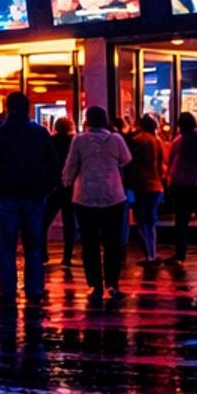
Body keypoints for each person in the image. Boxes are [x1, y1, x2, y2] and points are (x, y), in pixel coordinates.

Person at [0, 90, 58, 304]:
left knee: (5, 246)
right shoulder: (40, 133)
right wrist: (48, 186)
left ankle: (8, 289)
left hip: (5, 194)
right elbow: (53, 163)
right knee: (33, 245)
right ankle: (34, 288)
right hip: (33, 194)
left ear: (8, 109)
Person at [62, 105, 132, 306]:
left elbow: (71, 166)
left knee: (89, 242)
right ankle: (112, 284)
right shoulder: (116, 139)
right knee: (112, 242)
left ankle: (95, 285)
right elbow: (126, 159)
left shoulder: (79, 140)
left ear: (87, 120)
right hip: (113, 195)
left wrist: (66, 183)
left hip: (85, 196)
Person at [167, 109, 197, 263]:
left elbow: (170, 159)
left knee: (181, 220)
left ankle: (181, 253)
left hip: (182, 183)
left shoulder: (179, 140)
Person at [124, 112, 166, 263]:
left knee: (141, 221)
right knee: (150, 220)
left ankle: (149, 254)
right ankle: (152, 253)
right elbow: (161, 164)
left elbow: (130, 163)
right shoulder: (157, 141)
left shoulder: (137, 141)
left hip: (141, 185)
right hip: (156, 184)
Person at [42, 116, 77, 271]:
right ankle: (67, 256)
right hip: (70, 186)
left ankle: (43, 253)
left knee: (44, 221)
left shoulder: (50, 142)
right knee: (69, 222)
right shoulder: (74, 141)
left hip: (54, 186)